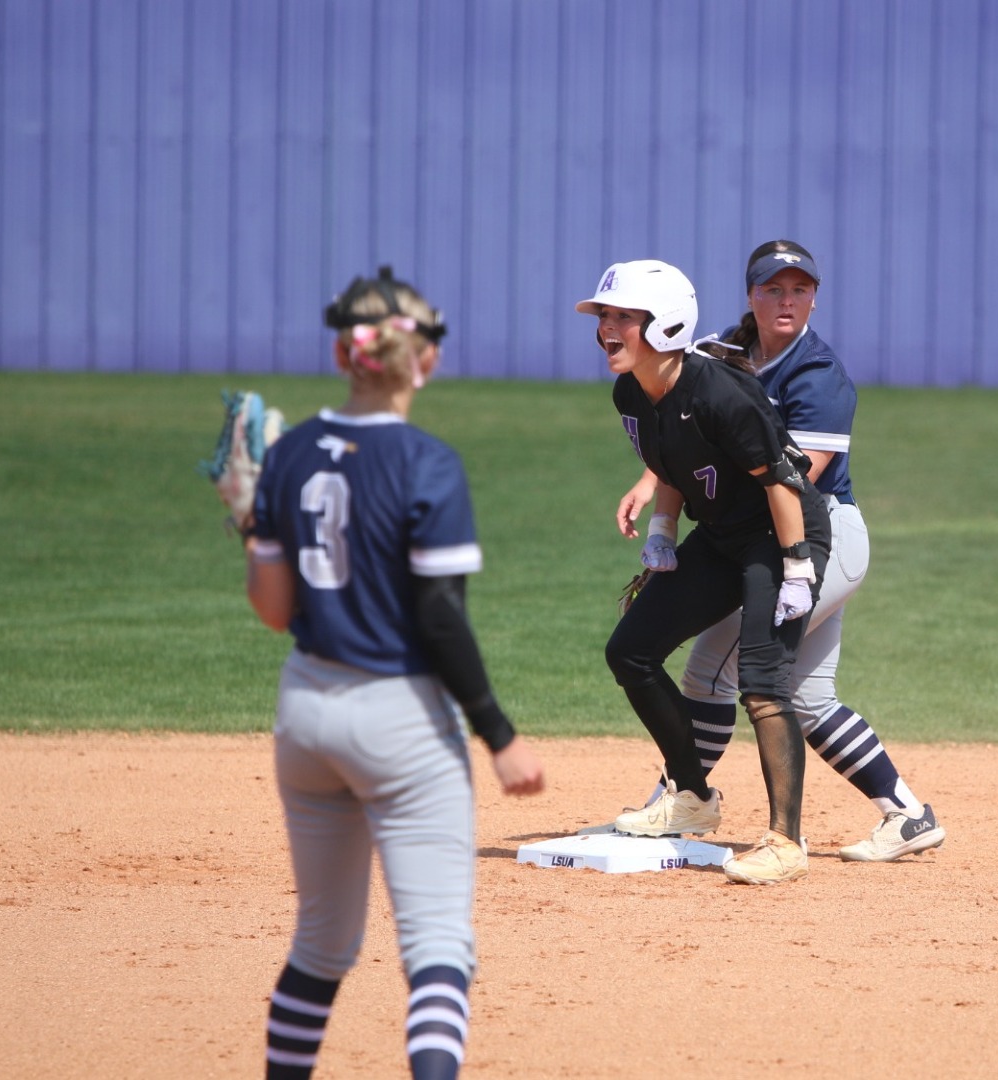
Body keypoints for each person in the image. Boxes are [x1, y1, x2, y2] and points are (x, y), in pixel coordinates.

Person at [237, 267, 545, 1079]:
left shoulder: (292, 451)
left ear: (346, 351)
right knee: (438, 949)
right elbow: (440, 618)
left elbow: (272, 610)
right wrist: (499, 735)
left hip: (305, 711)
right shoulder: (427, 463)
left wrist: (252, 525)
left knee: (322, 943)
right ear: (426, 360)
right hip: (398, 720)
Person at [611, 240, 944, 861]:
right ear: (751, 296)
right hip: (764, 532)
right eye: (773, 288)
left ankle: (680, 799)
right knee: (810, 698)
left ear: (814, 296)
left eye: (799, 289)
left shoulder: (817, 374)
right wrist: (652, 481)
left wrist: (765, 564)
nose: (786, 300)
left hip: (819, 535)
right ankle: (907, 814)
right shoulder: (717, 352)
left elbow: (797, 478)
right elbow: (687, 433)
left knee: (713, 667)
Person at [580, 258, 831, 885]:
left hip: (782, 535)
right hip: (720, 536)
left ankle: (785, 841)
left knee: (763, 680)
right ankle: (692, 796)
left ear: (663, 326)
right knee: (631, 651)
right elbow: (671, 462)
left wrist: (797, 568)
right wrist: (664, 532)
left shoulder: (720, 391)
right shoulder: (630, 392)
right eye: (604, 316)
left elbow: (779, 480)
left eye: (623, 317)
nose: (607, 328)